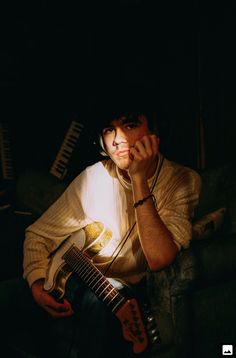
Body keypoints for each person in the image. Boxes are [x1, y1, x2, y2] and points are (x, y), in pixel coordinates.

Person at [0, 90, 201, 358]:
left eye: (130, 125)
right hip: (66, 278)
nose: (118, 140)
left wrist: (139, 180)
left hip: (112, 295)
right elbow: (38, 234)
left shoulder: (183, 181)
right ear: (100, 142)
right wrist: (37, 284)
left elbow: (159, 257)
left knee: (95, 307)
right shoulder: (93, 179)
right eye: (109, 130)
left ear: (155, 130)